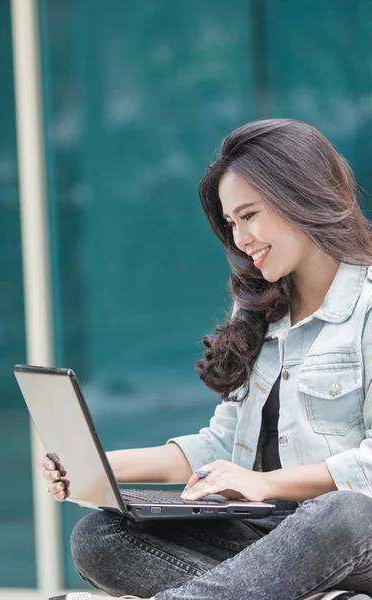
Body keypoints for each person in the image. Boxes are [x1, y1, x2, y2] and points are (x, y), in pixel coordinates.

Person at [41, 119, 372, 600]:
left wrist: (264, 483)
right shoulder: (259, 307)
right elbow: (221, 442)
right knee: (99, 536)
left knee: (340, 511)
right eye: (232, 223)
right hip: (269, 538)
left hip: (352, 536)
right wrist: (98, 468)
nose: (240, 239)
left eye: (250, 215)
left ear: (300, 195)